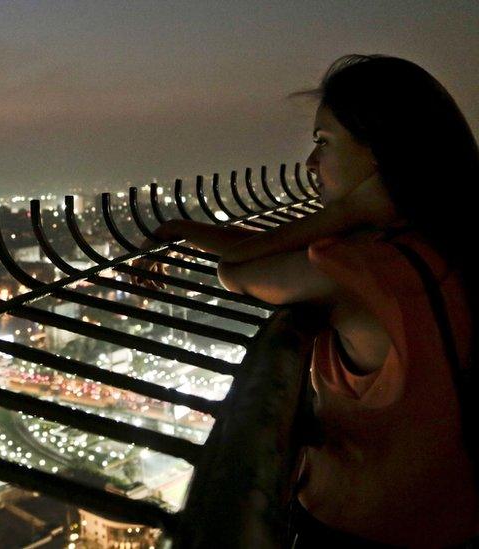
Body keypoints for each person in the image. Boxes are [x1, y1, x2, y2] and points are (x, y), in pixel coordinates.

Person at [133, 54, 479, 547]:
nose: (310, 164)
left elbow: (240, 271)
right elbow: (281, 254)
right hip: (452, 519)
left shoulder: (362, 272)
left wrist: (354, 208)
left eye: (324, 143)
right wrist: (187, 231)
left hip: (361, 527)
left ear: (379, 157)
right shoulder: (442, 244)